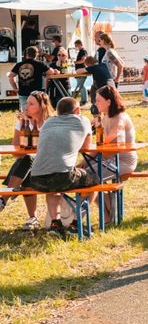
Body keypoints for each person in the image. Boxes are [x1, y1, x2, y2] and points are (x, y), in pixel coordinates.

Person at [22, 97, 98, 236]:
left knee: (52, 188)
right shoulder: (83, 121)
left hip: (37, 179)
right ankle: (76, 223)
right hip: (63, 176)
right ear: (77, 110)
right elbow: (86, 147)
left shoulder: (48, 122)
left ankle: (55, 224)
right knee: (95, 181)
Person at [1, 90, 53, 229]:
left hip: (49, 164)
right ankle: (32, 218)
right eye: (26, 103)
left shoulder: (50, 123)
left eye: (31, 103)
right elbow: (16, 152)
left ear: (41, 106)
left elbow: (48, 150)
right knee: (27, 164)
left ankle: (4, 198)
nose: (26, 106)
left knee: (28, 161)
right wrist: (23, 125)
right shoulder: (22, 123)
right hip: (28, 165)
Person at [92, 86, 137, 223]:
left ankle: (109, 216)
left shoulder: (121, 117)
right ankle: (107, 217)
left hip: (123, 161)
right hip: (108, 159)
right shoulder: (106, 117)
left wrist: (96, 144)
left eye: (98, 100)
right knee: (83, 173)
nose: (95, 103)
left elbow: (113, 134)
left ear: (109, 101)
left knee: (88, 177)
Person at [8, 46, 55, 113]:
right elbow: (51, 72)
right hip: (38, 93)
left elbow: (10, 76)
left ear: (26, 54)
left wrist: (15, 88)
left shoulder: (19, 64)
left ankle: (26, 123)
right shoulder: (40, 64)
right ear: (36, 54)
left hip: (24, 92)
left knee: (25, 113)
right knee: (39, 112)